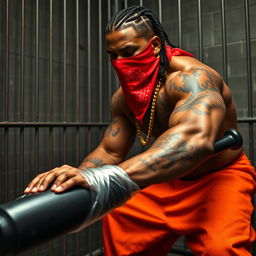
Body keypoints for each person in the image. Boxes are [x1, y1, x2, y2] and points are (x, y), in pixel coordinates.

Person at [24, 6, 255, 256]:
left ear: (155, 45)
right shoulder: (123, 99)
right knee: (120, 217)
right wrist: (75, 179)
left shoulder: (192, 78)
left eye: (128, 52)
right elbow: (110, 151)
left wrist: (103, 179)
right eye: (113, 55)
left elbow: (192, 141)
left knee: (221, 249)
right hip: (168, 180)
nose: (120, 63)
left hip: (219, 178)